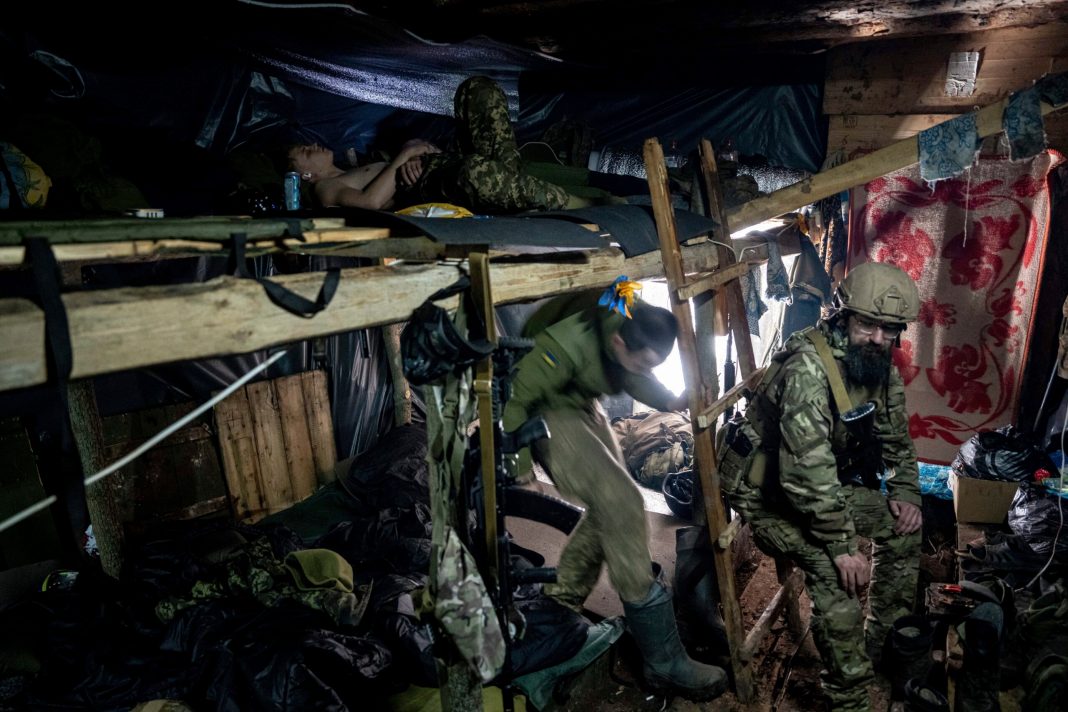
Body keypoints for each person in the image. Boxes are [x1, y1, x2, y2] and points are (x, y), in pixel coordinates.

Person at [502, 283, 727, 702]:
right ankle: (662, 659)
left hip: (582, 398)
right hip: (545, 408)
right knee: (621, 503)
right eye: (642, 361)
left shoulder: (629, 316)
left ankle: (561, 600)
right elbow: (515, 399)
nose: (646, 369)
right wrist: (520, 468)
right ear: (618, 341)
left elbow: (634, 373)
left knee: (616, 505)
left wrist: (670, 399)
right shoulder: (565, 343)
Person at [722, 261, 923, 712]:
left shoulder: (877, 365)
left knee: (905, 528)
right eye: (867, 324)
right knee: (838, 580)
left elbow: (895, 437)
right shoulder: (809, 371)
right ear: (842, 316)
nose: (877, 338)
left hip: (819, 487)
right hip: (769, 495)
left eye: (889, 329)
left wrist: (906, 491)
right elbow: (804, 475)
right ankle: (849, 697)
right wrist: (842, 546)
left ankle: (880, 648)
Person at [287, 76, 594, 213]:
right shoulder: (324, 188)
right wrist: (407, 153)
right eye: (304, 152)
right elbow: (372, 203)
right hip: (436, 184)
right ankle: (579, 205)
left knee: (476, 90)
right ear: (306, 175)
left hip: (442, 164)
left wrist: (414, 155)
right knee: (477, 172)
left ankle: (506, 183)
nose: (312, 145)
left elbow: (384, 181)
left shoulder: (349, 169)